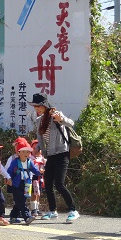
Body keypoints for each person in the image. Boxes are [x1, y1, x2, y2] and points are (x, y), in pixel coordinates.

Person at [30, 93, 79, 223]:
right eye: (35, 106)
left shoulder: (56, 114)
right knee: (48, 184)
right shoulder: (39, 120)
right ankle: (53, 211)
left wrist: (61, 120)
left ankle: (73, 210)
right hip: (51, 154)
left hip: (62, 153)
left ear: (44, 105)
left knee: (59, 183)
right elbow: (42, 138)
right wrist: (39, 148)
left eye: (38, 106)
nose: (36, 108)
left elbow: (71, 123)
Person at [7, 140, 42, 225]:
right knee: (21, 201)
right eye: (23, 151)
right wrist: (8, 179)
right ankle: (27, 217)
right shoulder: (15, 162)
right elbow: (9, 171)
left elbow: (35, 170)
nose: (26, 153)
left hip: (26, 184)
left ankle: (13, 216)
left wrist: (40, 172)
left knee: (20, 201)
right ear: (19, 153)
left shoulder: (29, 162)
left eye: (27, 151)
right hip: (16, 184)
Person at [30, 139, 46, 218]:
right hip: (33, 177)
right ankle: (33, 209)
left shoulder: (42, 158)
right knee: (34, 193)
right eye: (34, 148)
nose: (36, 151)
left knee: (38, 193)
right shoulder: (30, 158)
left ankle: (37, 208)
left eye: (39, 149)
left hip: (40, 177)